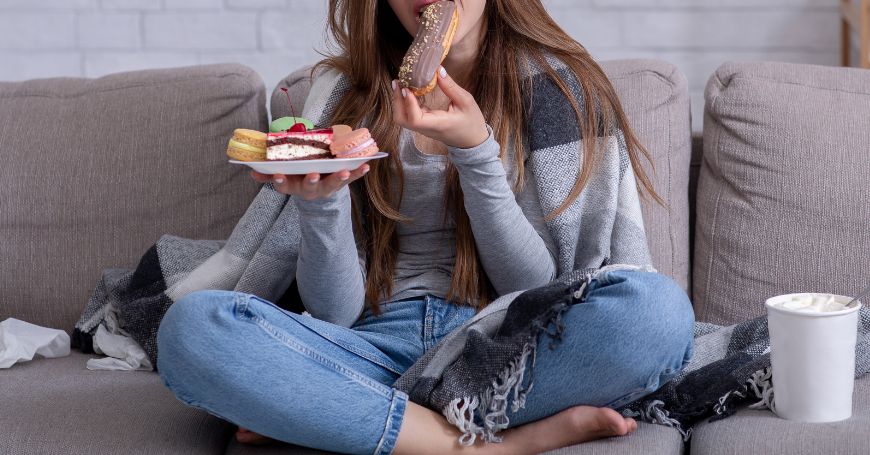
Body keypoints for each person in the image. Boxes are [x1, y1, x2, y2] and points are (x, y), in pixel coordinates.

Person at [155, 0, 695, 453]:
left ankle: (347, 414)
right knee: (193, 330)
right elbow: (335, 312)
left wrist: (477, 150)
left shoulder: (560, 90)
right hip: (368, 345)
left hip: (501, 347)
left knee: (659, 314)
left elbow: (533, 289)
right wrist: (321, 203)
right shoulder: (342, 96)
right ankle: (493, 443)